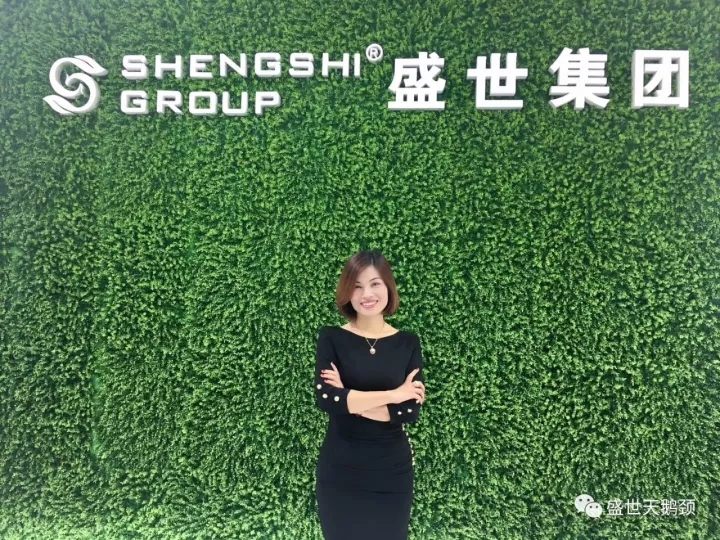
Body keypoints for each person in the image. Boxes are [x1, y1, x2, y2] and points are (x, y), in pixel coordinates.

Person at [313, 250, 426, 540]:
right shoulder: (331, 338)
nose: (367, 294)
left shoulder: (408, 343)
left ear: (388, 287)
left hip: (392, 469)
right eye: (357, 286)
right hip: (340, 468)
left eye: (375, 284)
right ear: (347, 292)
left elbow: (408, 411)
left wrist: (349, 399)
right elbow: (327, 399)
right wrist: (394, 394)